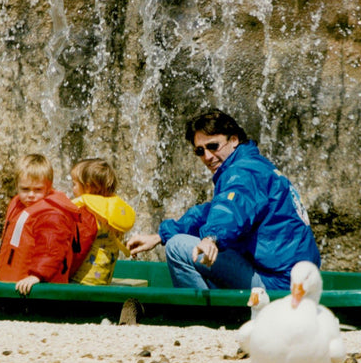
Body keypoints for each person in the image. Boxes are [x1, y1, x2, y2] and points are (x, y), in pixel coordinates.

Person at [126, 108, 321, 290]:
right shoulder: (255, 166)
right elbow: (211, 212)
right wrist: (160, 236)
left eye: (213, 146)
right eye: (200, 151)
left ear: (234, 140)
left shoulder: (243, 173)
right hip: (292, 279)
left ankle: (207, 318)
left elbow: (230, 210)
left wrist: (212, 238)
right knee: (186, 243)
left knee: (177, 247)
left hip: (278, 284)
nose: (207, 156)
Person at [0, 153, 96, 295]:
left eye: (38, 190)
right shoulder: (20, 205)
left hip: (38, 285)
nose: (31, 195)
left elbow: (51, 249)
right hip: (15, 281)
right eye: (25, 189)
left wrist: (37, 276)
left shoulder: (52, 214)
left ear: (49, 188)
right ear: (17, 185)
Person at [69, 158, 136, 285]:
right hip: (102, 280)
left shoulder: (88, 214)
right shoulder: (108, 213)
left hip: (80, 281)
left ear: (87, 187)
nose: (72, 189)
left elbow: (78, 249)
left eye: (74, 184)